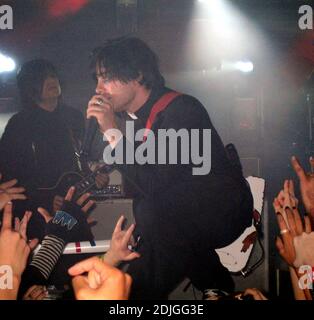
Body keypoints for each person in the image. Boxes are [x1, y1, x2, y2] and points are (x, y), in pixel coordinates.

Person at [86, 37, 253, 299]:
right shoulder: (132, 122)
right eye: (96, 79)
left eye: (106, 78)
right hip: (174, 219)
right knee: (147, 232)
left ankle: (211, 283)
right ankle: (213, 287)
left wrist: (112, 131)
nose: (99, 89)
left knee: (152, 211)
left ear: (137, 75)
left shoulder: (180, 110)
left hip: (222, 210)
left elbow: (155, 184)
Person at [0, 59, 108, 240]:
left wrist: (92, 177)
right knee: (46, 264)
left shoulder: (73, 118)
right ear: (30, 86)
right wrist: (45, 200)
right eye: (43, 78)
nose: (52, 81)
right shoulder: (19, 124)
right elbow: (10, 178)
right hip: (35, 217)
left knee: (78, 261)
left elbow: (80, 162)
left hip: (72, 208)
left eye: (53, 75)